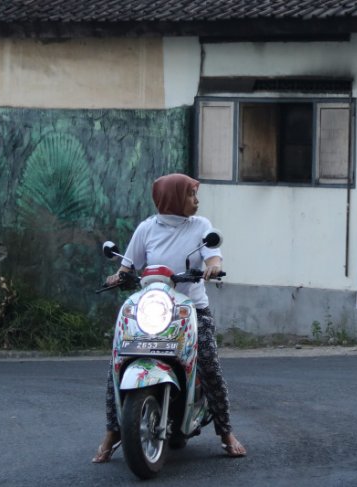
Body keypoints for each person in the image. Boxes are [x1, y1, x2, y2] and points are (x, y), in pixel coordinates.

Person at [92, 173, 246, 463]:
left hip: (190, 309)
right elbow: (128, 265)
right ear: (172, 198)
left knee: (209, 365)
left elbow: (213, 255)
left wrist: (213, 267)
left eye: (195, 195)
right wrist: (119, 275)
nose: (196, 200)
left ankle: (226, 433)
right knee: (119, 361)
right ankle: (114, 431)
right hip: (153, 307)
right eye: (191, 195)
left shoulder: (201, 227)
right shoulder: (147, 228)